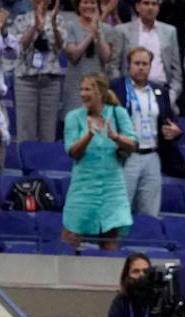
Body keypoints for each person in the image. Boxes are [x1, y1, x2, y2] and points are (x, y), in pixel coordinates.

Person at [63, 74, 135, 251]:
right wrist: (89, 135)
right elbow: (72, 151)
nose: (82, 94)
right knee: (70, 236)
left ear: (100, 92)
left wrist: (116, 137)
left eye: (87, 89)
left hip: (113, 187)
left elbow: (133, 143)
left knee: (110, 237)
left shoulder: (119, 114)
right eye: (81, 89)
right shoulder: (73, 117)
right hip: (83, 187)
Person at [111, 48, 185, 220]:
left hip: (152, 156)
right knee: (120, 210)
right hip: (126, 156)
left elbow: (171, 120)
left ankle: (144, 246)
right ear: (129, 65)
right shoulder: (116, 88)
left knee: (150, 212)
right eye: (137, 63)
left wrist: (175, 131)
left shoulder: (160, 91)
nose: (141, 68)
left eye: (145, 64)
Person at [12, 0, 68, 143]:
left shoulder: (58, 19)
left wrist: (54, 25)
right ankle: (25, 164)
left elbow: (61, 46)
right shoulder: (21, 19)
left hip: (50, 80)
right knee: (25, 130)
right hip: (26, 80)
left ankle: (45, 164)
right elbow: (19, 46)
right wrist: (35, 27)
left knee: (48, 132)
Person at [62, 0, 123, 117]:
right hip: (75, 85)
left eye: (92, 3)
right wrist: (91, 33)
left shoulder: (106, 29)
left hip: (98, 85)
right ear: (78, 6)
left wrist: (98, 31)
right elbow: (74, 55)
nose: (89, 6)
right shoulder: (70, 26)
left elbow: (106, 57)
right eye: (85, 2)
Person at [116, 0, 182, 106]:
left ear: (158, 8)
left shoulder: (170, 31)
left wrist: (170, 96)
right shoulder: (122, 31)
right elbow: (114, 66)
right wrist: (121, 93)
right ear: (137, 6)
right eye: (146, 3)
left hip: (162, 89)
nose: (150, 7)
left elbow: (176, 71)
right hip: (130, 90)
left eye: (154, 4)